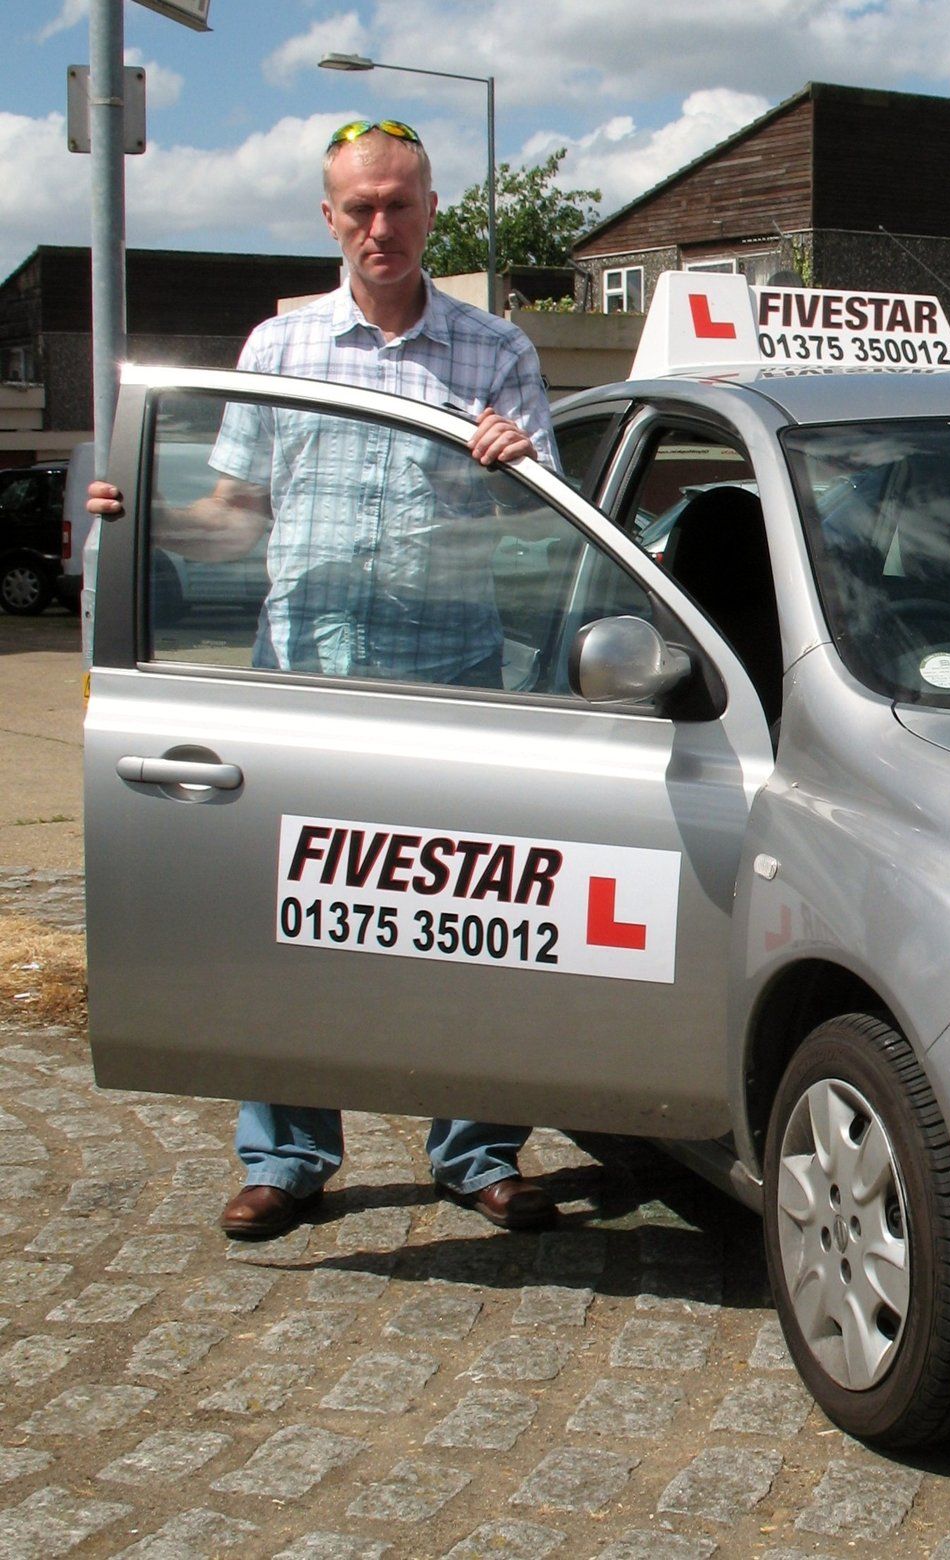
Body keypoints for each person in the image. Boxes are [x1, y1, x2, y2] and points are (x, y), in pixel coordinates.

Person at [89, 118, 559, 1239]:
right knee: (286, 918)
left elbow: (542, 526)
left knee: (469, 917)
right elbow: (234, 518)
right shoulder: (277, 349)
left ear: (432, 209)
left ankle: (476, 1150)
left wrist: (512, 468)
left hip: (448, 683)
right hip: (299, 679)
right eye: (359, 207)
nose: (380, 226)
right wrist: (141, 520)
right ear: (328, 216)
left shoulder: (498, 354)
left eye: (399, 203)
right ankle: (286, 1155)